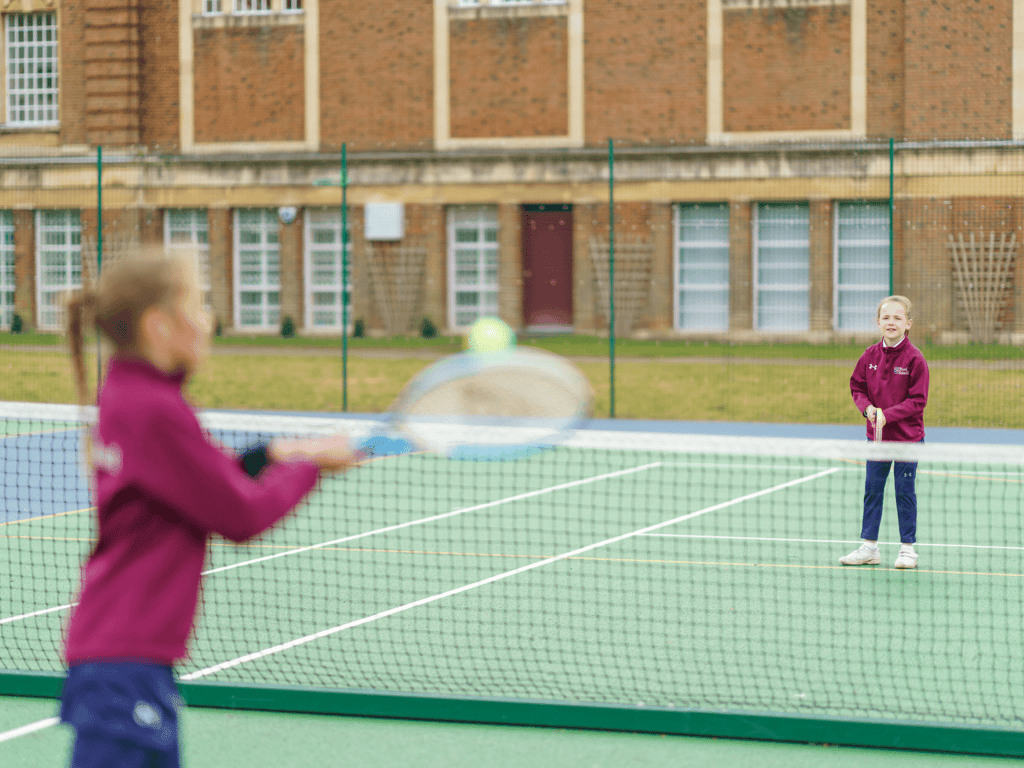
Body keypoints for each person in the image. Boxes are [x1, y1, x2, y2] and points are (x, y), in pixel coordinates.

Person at [58, 248, 356, 767]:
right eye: (197, 305)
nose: (209, 320)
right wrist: (309, 466)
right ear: (159, 326)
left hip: (124, 662)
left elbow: (202, 481)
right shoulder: (154, 408)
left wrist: (275, 454)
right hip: (123, 665)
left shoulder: (131, 394)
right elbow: (241, 515)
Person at [841, 295, 929, 570]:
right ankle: (869, 547)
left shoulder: (915, 359)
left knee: (904, 492)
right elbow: (857, 386)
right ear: (878, 322)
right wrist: (867, 409)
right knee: (872, 490)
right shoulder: (869, 355)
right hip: (876, 440)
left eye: (897, 318)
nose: (891, 322)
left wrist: (887, 415)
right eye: (886, 317)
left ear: (908, 324)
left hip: (907, 440)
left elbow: (918, 400)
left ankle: (907, 550)